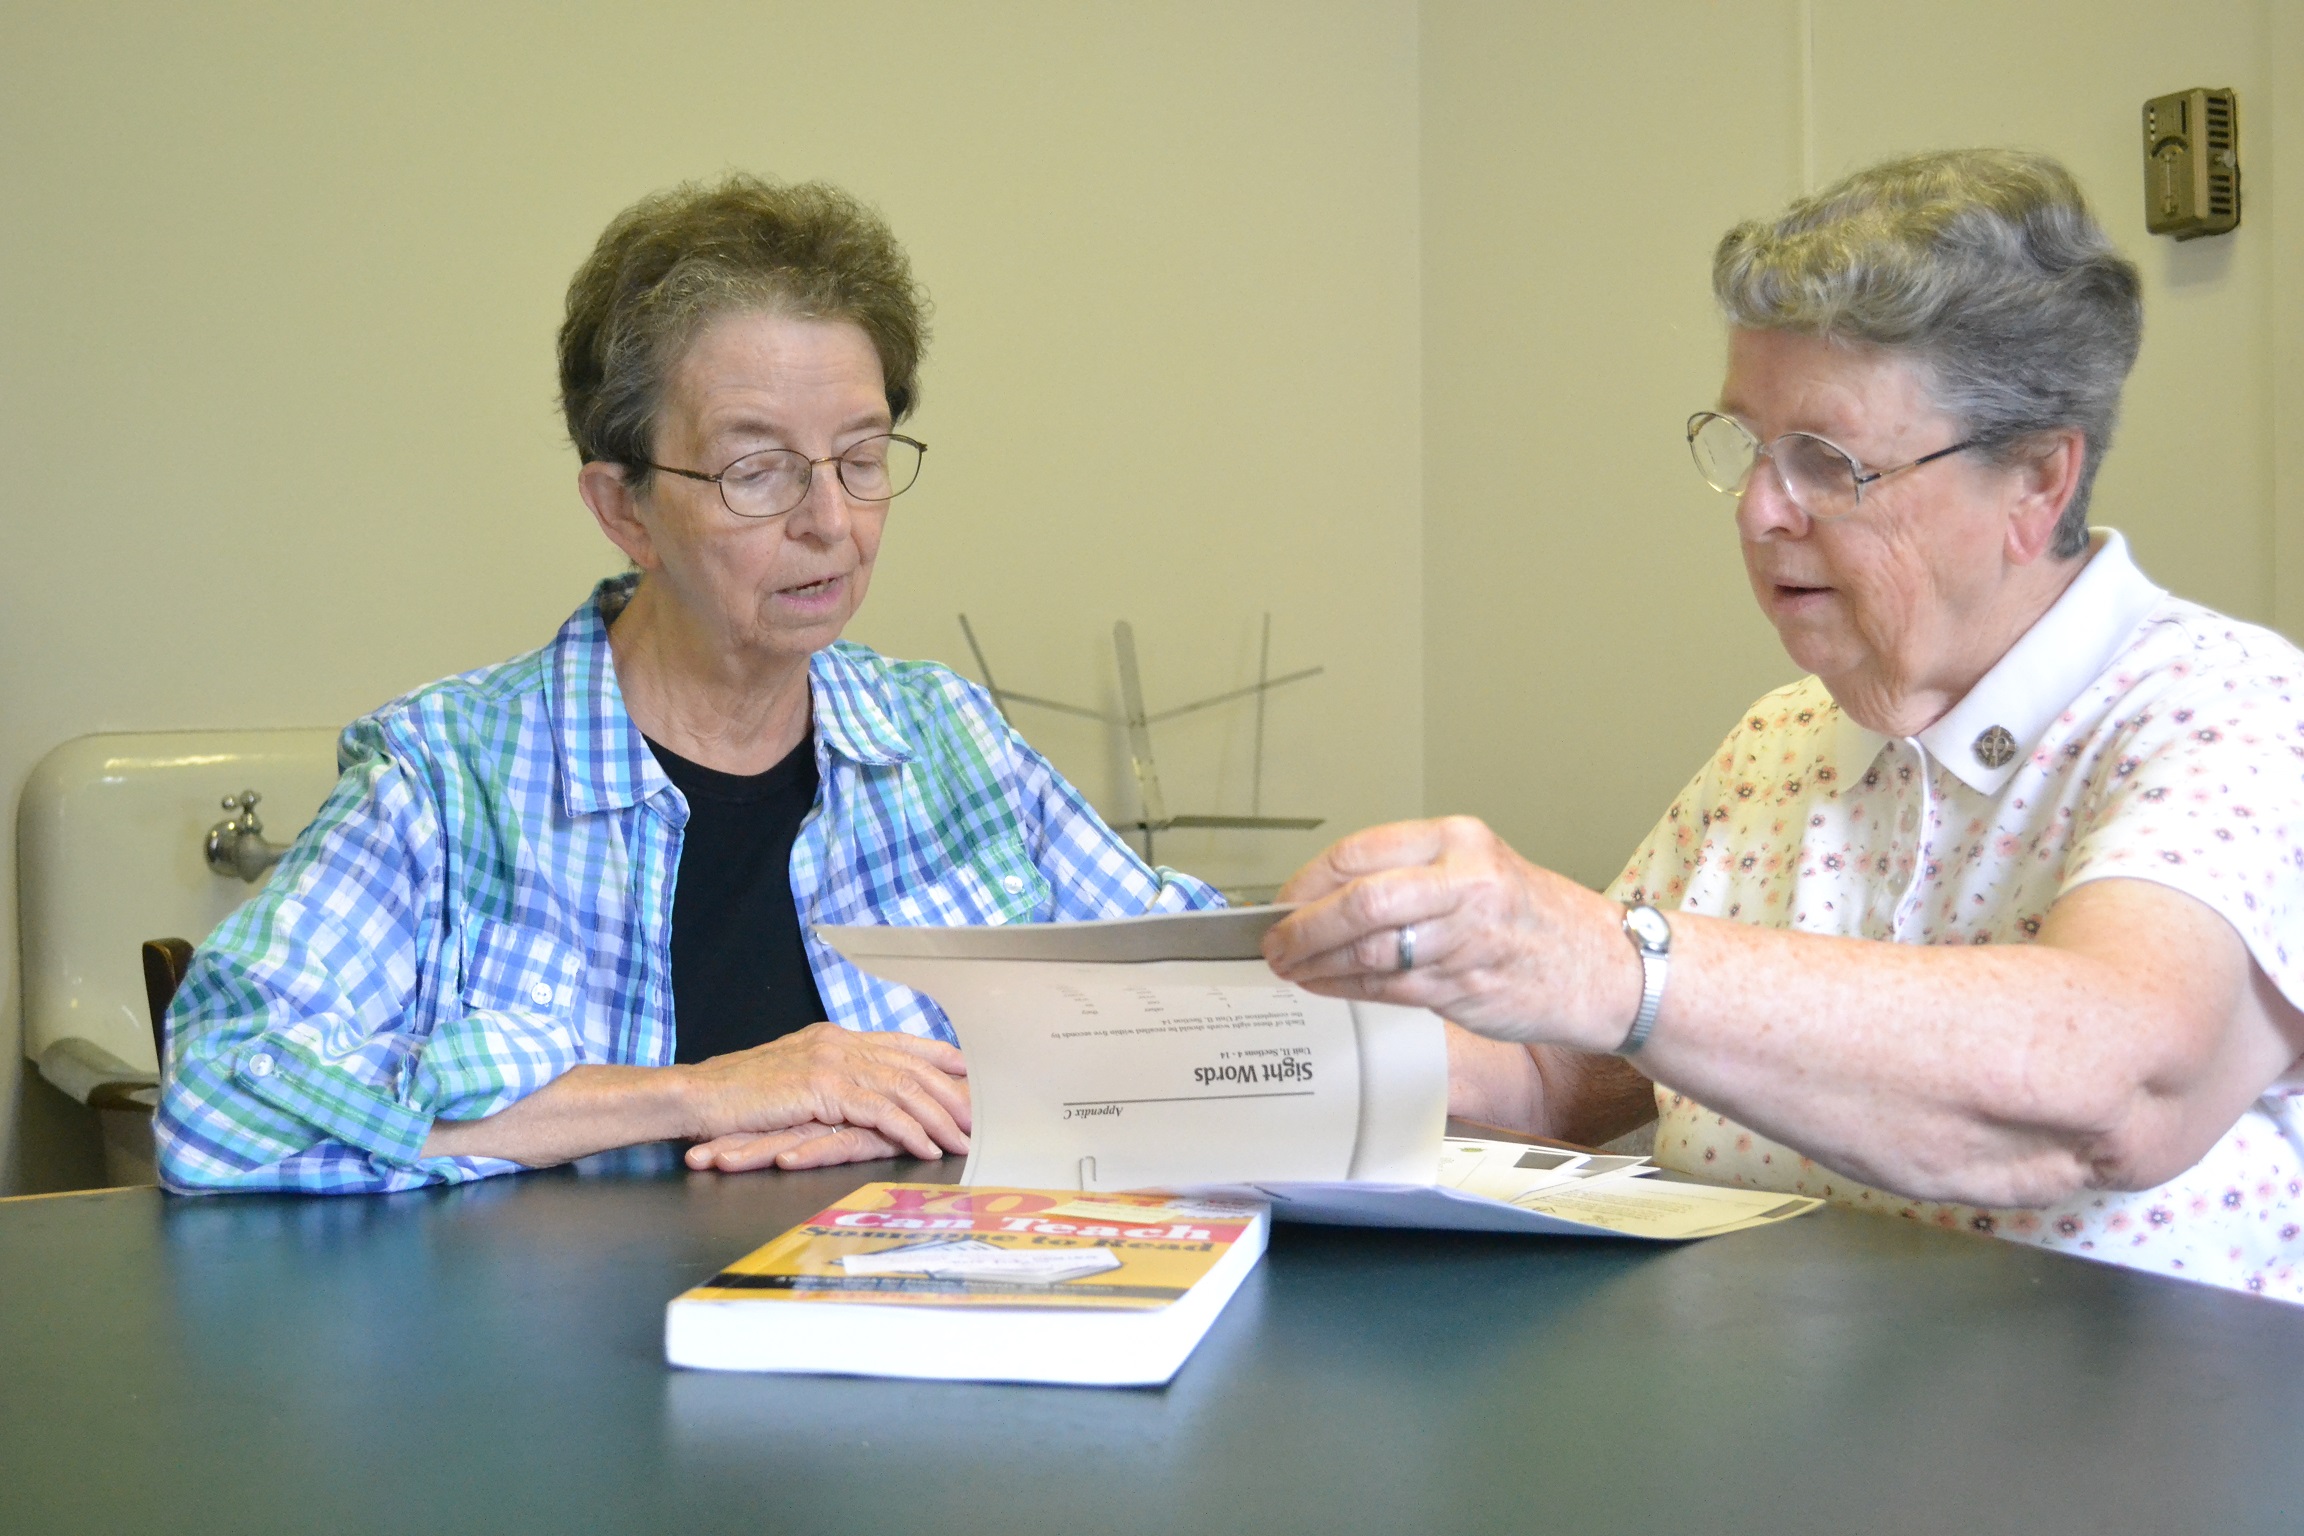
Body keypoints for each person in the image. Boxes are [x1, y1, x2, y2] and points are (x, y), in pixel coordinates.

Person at [1264, 149, 2304, 1300]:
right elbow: (1565, 1086)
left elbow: (2117, 1084)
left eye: (1829, 460)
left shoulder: (2231, 713)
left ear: (2037, 483)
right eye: (1751, 446)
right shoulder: (1779, 743)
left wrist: (1612, 960)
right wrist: (1254, 1040)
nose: (1763, 510)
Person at [159, 174, 1220, 1193]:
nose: (831, 523)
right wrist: (698, 1096)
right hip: (566, 1370)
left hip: (916, 1343)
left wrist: (965, 1094)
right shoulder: (447, 780)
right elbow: (221, 1096)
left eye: (860, 456)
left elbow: (1206, 1003)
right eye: (757, 470)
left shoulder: (944, 739)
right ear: (625, 509)